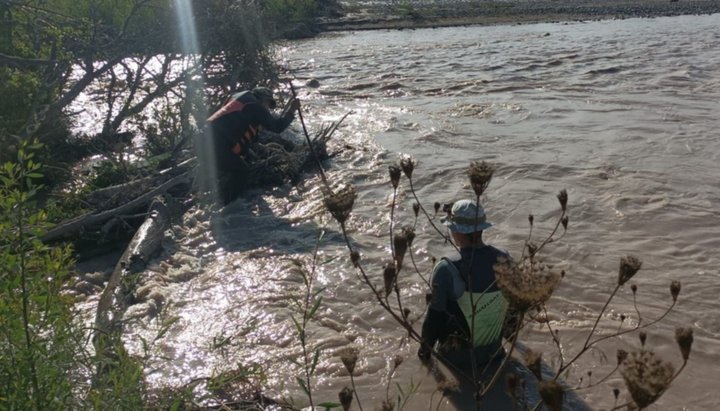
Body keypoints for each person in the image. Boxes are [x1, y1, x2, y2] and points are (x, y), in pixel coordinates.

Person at [418, 199, 510, 377]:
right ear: (482, 228)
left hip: (457, 361)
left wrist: (424, 354)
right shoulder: (505, 259)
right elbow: (512, 313)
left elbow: (433, 320)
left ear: (456, 231)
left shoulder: (446, 269)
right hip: (495, 354)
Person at [203, 87, 301, 204]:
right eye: (268, 104)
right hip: (217, 144)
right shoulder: (256, 107)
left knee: (245, 160)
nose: (267, 109)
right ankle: (231, 206)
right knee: (241, 171)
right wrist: (292, 110)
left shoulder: (238, 98)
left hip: (204, 138)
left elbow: (237, 129)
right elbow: (277, 127)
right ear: (262, 99)